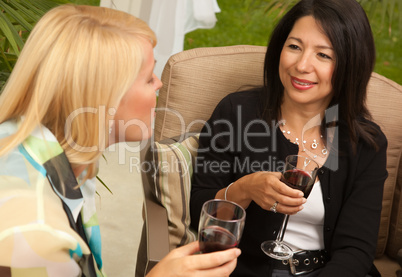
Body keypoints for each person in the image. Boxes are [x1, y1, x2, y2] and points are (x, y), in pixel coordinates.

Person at [0, 4, 240, 277]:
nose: (160, 84)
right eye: (149, 78)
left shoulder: (61, 156)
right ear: (105, 98)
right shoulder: (36, 237)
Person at [190, 0, 388, 276]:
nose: (302, 65)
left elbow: (355, 250)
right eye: (294, 47)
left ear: (350, 65)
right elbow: (198, 211)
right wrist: (244, 189)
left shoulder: (364, 143)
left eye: (324, 55)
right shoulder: (236, 113)